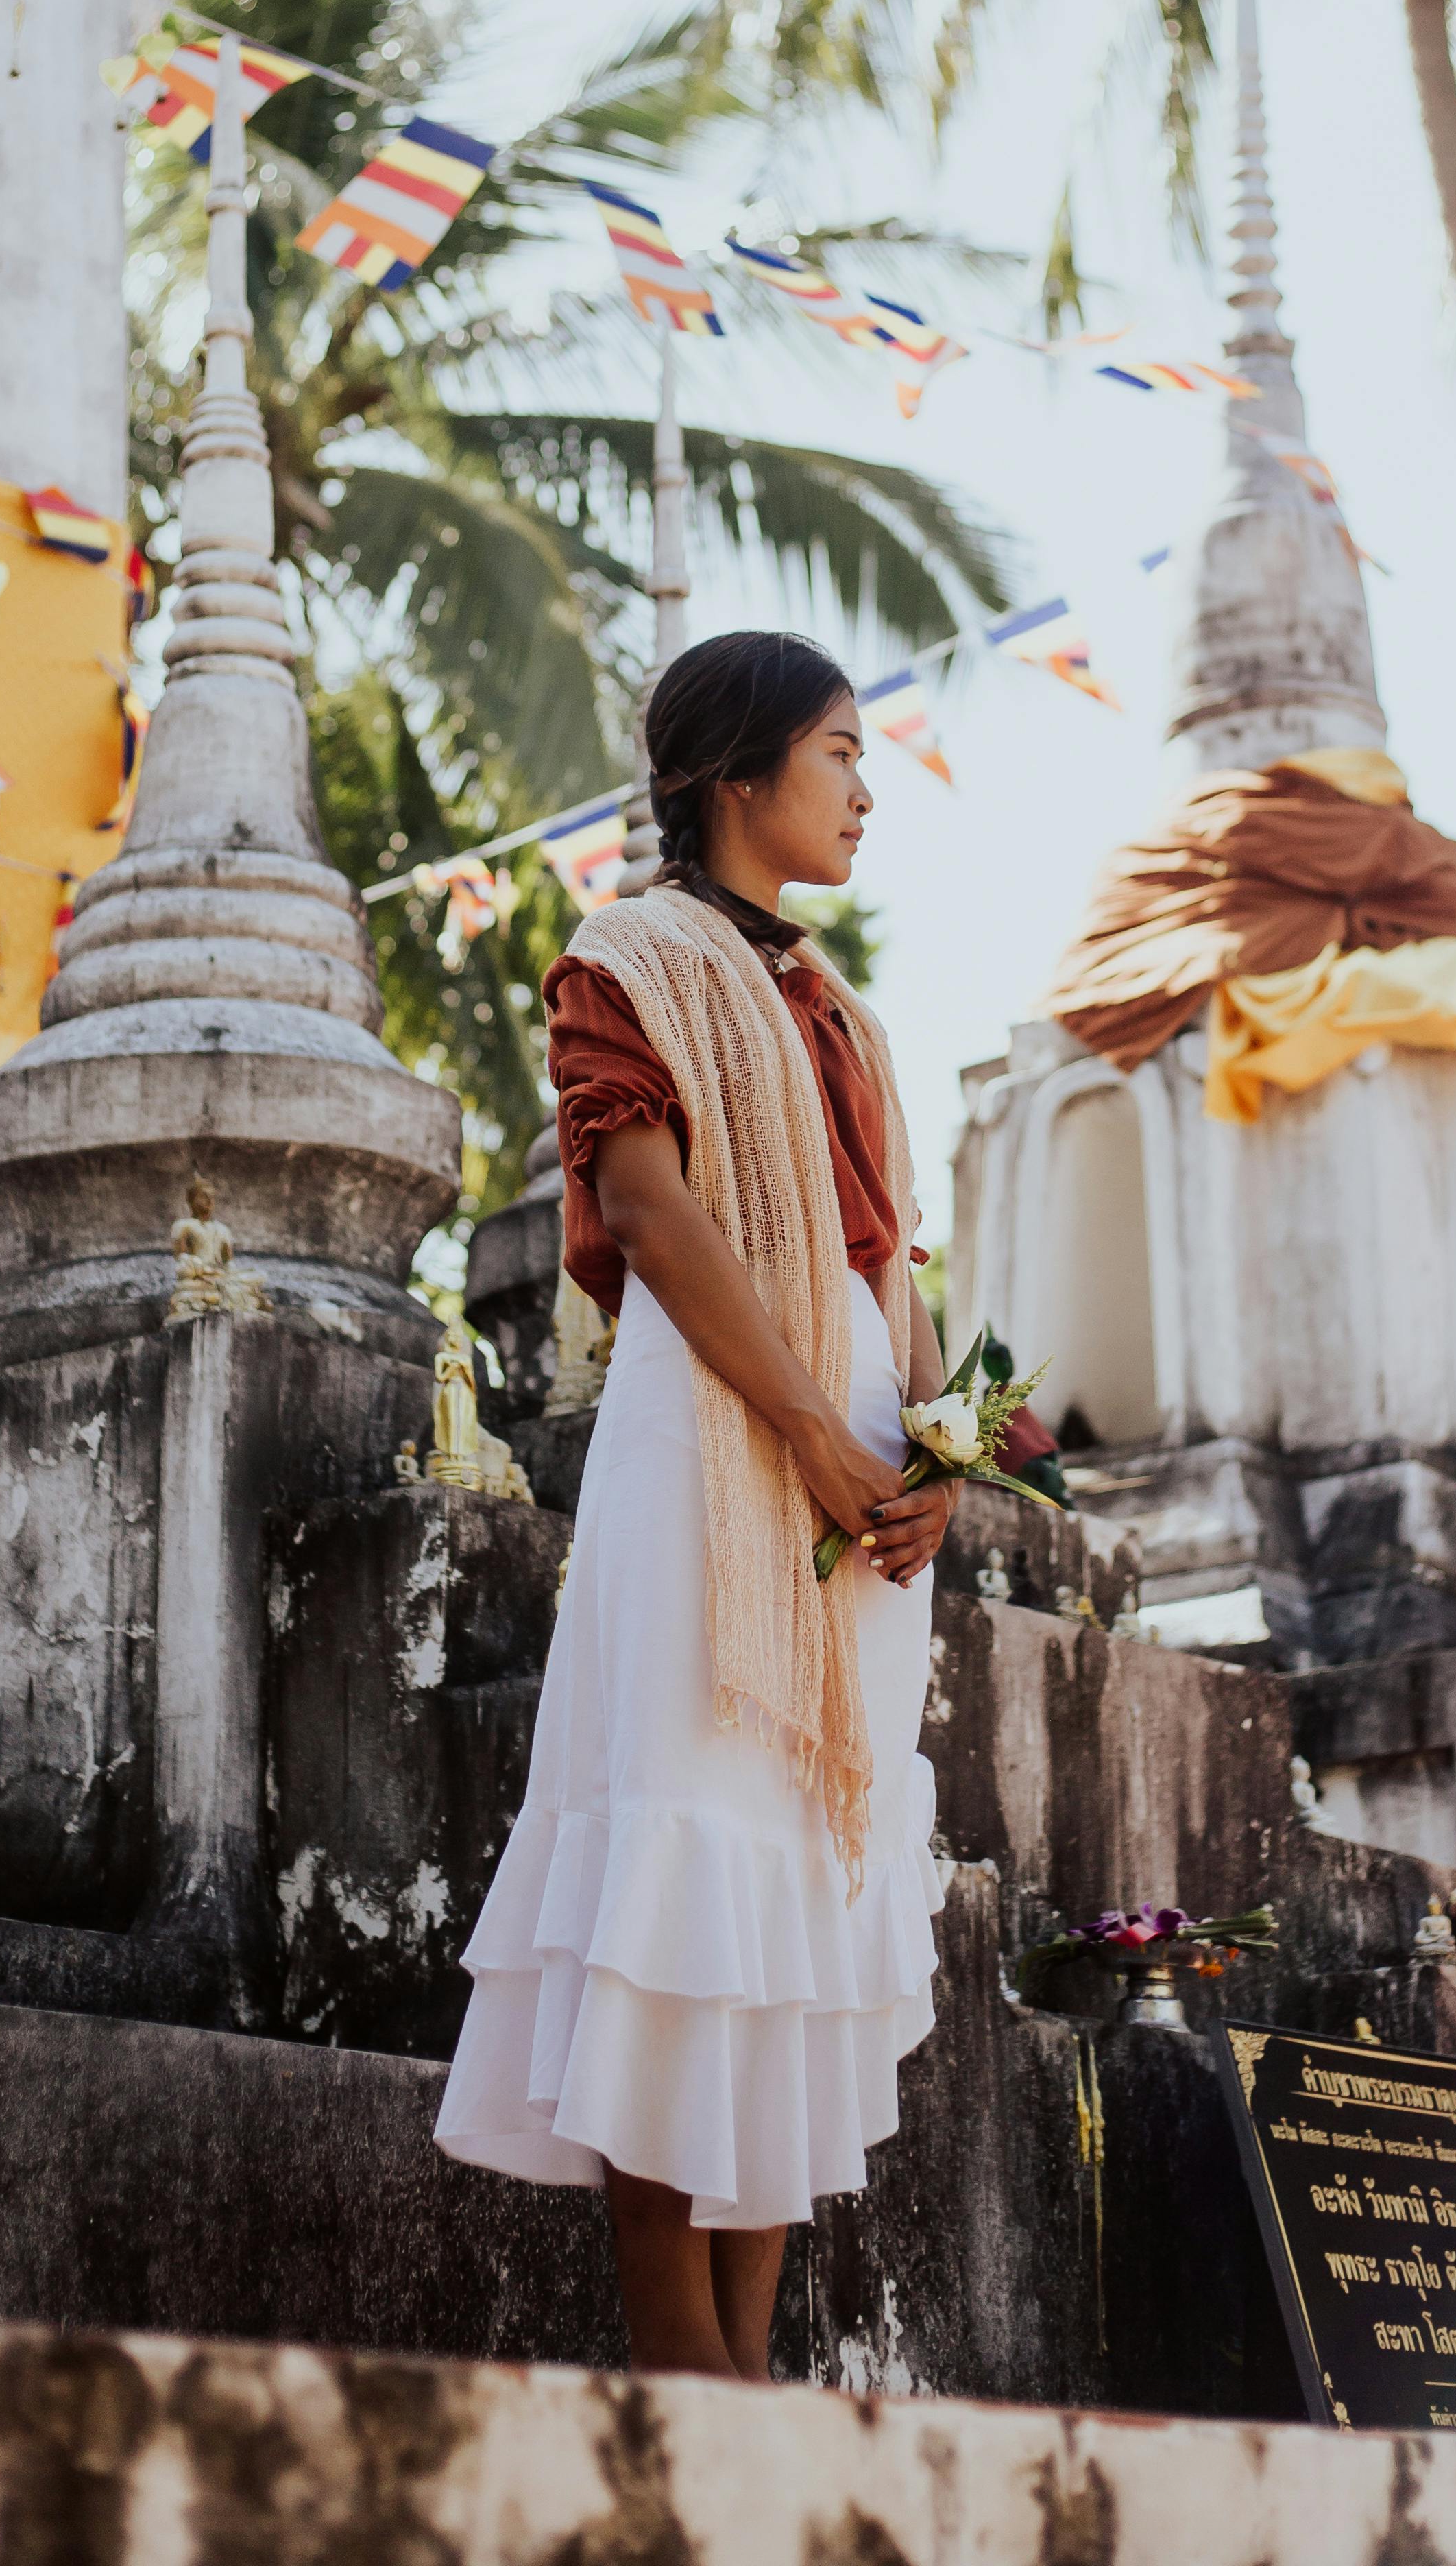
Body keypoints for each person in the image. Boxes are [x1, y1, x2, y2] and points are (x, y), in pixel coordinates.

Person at [434, 629, 958, 2376]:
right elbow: (650, 1217)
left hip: (860, 1488)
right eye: (836, 751)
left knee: (798, 1895)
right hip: (720, 1452)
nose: (865, 786)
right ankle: (679, 2358)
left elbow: (897, 1274)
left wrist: (936, 1464)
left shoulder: (845, 1015)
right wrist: (812, 1427)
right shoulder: (629, 956)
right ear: (736, 775)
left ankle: (749, 2360)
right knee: (687, 1856)